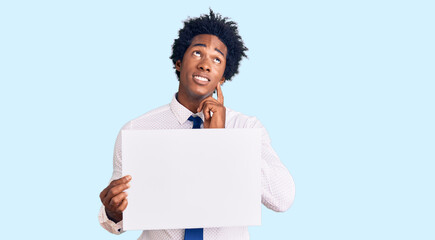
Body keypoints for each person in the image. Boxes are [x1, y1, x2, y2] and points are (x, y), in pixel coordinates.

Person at [98, 9, 295, 240]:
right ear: (179, 63)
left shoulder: (247, 128)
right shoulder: (136, 130)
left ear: (223, 76)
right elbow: (117, 217)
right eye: (197, 53)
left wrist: (223, 141)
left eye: (217, 59)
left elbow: (282, 198)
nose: (205, 65)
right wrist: (112, 212)